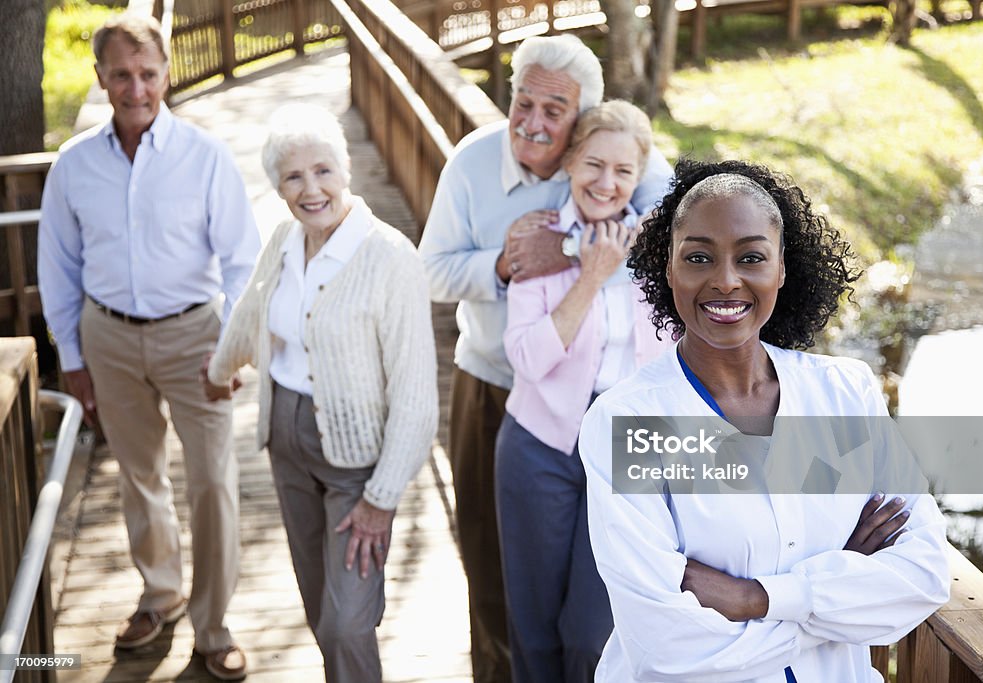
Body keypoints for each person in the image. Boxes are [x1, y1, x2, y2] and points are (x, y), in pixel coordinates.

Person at [578, 158, 951, 682]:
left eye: (751, 257)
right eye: (699, 257)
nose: (726, 281)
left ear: (780, 268)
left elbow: (925, 574)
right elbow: (666, 645)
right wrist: (837, 595)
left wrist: (755, 596)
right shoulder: (627, 421)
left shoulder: (845, 393)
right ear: (668, 268)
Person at [418, 35, 672, 682]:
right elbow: (432, 273)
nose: (532, 122)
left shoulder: (611, 164)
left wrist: (582, 252)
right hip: (496, 385)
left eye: (552, 111)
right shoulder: (472, 163)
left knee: (592, 608)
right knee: (489, 563)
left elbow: (670, 225)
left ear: (582, 118)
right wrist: (505, 264)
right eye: (522, 102)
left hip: (610, 418)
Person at [37, 12, 259, 680]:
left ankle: (214, 625)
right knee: (140, 478)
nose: (137, 87)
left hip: (195, 335)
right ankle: (159, 593)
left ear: (166, 74)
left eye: (149, 73)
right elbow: (58, 267)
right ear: (102, 78)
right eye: (123, 74)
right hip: (108, 337)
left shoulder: (205, 156)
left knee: (213, 481)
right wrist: (72, 358)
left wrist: (230, 349)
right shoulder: (73, 167)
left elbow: (244, 261)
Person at [202, 103, 438, 683]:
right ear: (277, 187)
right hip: (285, 438)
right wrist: (221, 369)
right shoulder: (285, 237)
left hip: (355, 461)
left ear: (346, 169)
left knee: (347, 623)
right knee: (318, 606)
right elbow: (253, 308)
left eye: (323, 170)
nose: (312, 189)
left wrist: (382, 499)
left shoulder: (389, 258)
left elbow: (415, 395)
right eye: (293, 176)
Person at [495, 100, 675, 682]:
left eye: (623, 171)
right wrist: (590, 275)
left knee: (596, 627)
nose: (606, 183)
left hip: (629, 451)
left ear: (639, 176)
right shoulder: (539, 238)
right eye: (594, 165)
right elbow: (527, 357)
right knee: (535, 622)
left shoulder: (657, 248)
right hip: (541, 445)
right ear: (571, 161)